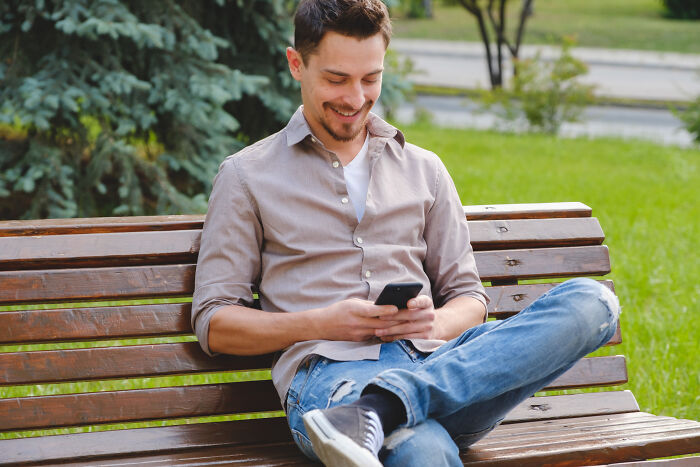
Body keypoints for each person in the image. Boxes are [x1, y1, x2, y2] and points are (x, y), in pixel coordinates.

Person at [191, 1, 621, 466]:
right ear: (297, 63)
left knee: (593, 303)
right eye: (336, 79)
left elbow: (469, 299)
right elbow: (215, 323)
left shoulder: (425, 169)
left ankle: (381, 409)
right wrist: (324, 322)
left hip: (440, 367)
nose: (355, 98)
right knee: (421, 446)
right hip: (333, 380)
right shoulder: (247, 176)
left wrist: (432, 323)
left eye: (370, 79)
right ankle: (371, 413)